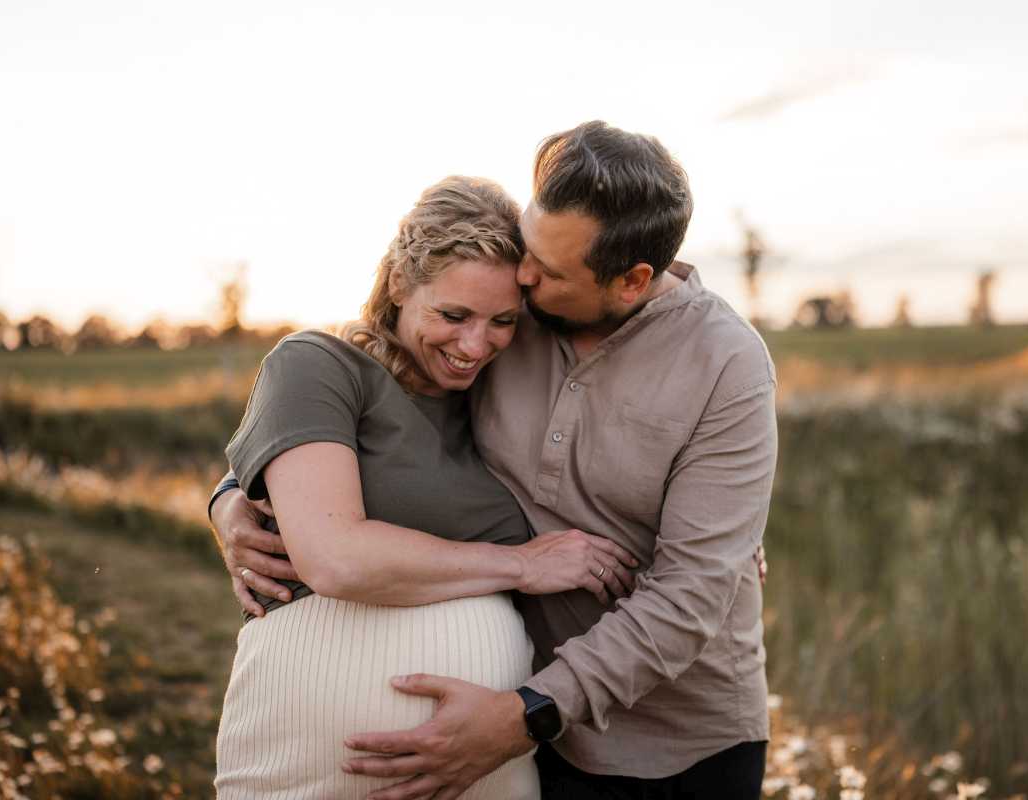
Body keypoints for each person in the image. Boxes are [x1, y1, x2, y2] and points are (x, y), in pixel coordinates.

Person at [211, 121, 778, 800]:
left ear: (630, 282)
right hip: (524, 740)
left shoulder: (726, 362)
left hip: (671, 743)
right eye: (529, 250)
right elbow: (367, 411)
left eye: (547, 273)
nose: (525, 277)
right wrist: (232, 497)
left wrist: (525, 713)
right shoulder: (510, 313)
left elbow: (692, 591)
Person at [211, 175, 637, 799]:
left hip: (487, 767)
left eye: (501, 321)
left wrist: (721, 536)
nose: (474, 345)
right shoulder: (320, 364)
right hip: (311, 763)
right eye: (453, 315)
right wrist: (520, 565)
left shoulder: (506, 396)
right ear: (400, 284)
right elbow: (334, 556)